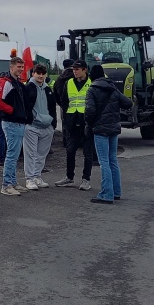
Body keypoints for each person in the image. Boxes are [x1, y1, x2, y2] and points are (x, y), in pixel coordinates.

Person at [85, 65, 133, 204]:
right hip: (114, 128)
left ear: (91, 76)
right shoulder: (113, 88)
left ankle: (106, 194)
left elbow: (90, 111)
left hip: (100, 129)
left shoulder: (92, 90)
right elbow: (128, 103)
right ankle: (116, 192)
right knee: (113, 160)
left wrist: (89, 123)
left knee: (103, 162)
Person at [55, 59, 93, 191]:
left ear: (84, 70)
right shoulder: (69, 83)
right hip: (72, 122)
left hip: (87, 122)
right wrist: (66, 117)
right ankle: (69, 177)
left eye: (77, 70)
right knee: (70, 151)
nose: (74, 72)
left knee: (88, 153)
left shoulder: (91, 82)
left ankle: (86, 179)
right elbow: (64, 101)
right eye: (73, 70)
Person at [0, 56, 29, 196]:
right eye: (18, 67)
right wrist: (13, 111)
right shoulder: (6, 82)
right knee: (11, 155)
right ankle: (6, 185)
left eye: (22, 67)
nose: (21, 69)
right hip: (11, 122)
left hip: (17, 122)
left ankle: (13, 182)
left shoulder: (16, 82)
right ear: (11, 67)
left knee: (14, 155)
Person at [23, 64, 57, 190]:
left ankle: (37, 176)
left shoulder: (48, 88)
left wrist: (52, 124)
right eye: (38, 73)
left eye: (43, 74)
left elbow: (53, 106)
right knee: (30, 154)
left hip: (47, 126)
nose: (41, 76)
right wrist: (28, 120)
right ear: (33, 74)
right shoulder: (28, 88)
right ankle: (29, 179)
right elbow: (25, 106)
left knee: (42, 154)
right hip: (32, 126)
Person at [54, 59, 75, 148]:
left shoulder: (59, 79)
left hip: (64, 106)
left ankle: (66, 143)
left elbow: (55, 94)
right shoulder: (76, 76)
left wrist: (62, 104)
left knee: (66, 125)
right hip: (79, 106)